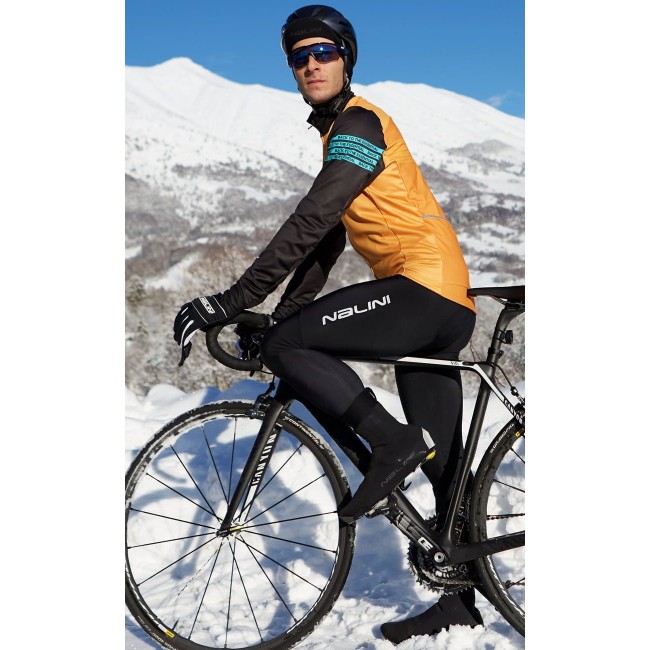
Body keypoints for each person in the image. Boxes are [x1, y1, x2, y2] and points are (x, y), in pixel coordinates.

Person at [173, 4, 483, 644]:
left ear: (347, 60)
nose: (311, 64)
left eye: (324, 52)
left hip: (421, 289)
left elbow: (312, 217)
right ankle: (460, 597)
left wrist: (233, 300)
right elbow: (326, 243)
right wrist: (279, 315)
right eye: (299, 56)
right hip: (443, 301)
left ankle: (390, 443)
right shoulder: (341, 133)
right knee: (445, 464)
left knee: (297, 350)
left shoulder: (359, 123)